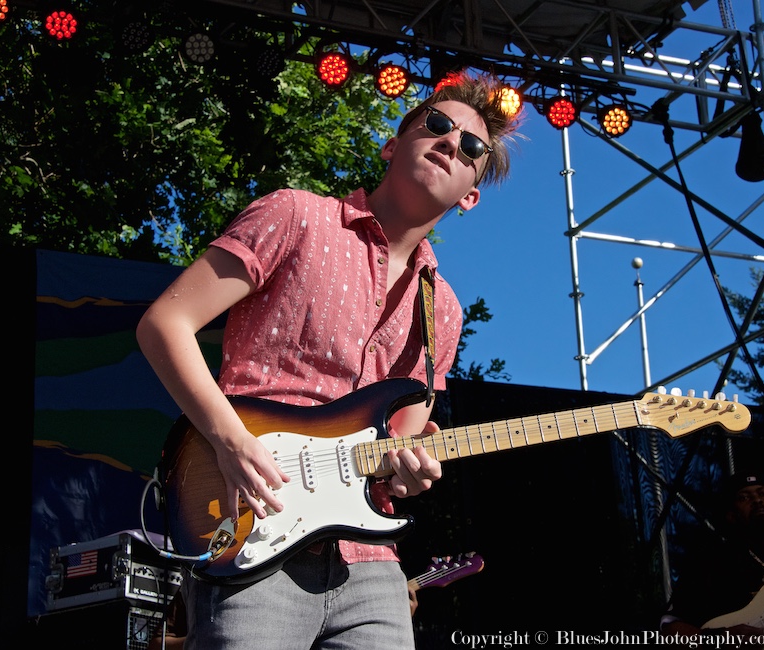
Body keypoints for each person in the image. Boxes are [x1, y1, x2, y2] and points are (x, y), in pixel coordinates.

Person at [136, 69, 522, 650]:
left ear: (470, 195)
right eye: (437, 125)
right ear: (393, 145)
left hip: (371, 571)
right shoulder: (294, 216)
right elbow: (165, 323)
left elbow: (399, 449)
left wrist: (412, 473)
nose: (450, 142)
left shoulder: (443, 309)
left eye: (472, 147)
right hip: (252, 535)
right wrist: (230, 439)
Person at [660, 471, 764, 646]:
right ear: (731, 516)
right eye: (744, 497)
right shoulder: (709, 566)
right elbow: (670, 629)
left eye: (763, 493)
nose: (757, 500)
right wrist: (718, 640)